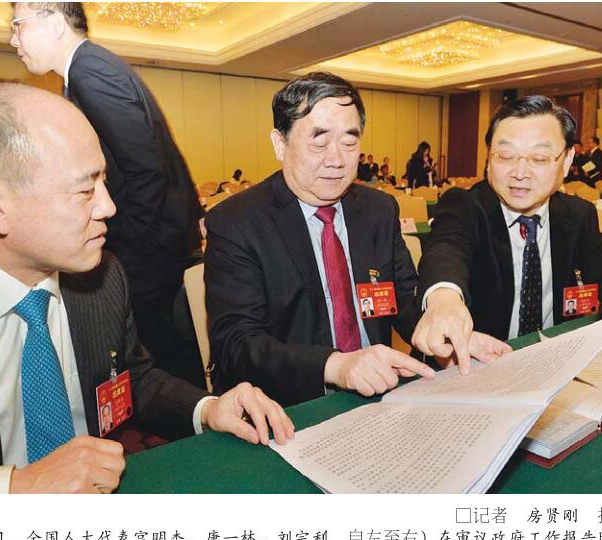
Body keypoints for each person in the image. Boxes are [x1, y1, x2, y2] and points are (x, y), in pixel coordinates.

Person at [0, 80, 294, 494]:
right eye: (85, 190)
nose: (108, 207)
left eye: (104, 182)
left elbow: (132, 380)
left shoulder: (101, 276)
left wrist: (208, 409)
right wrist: (15, 487)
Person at [204, 72, 508, 407]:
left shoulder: (378, 210)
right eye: (319, 142)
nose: (336, 160)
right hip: (289, 404)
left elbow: (402, 297)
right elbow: (236, 343)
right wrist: (336, 366)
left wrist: (446, 338)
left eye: (349, 143)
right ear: (280, 143)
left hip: (379, 392)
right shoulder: (237, 222)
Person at [10, 3, 205, 386]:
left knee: (161, 365)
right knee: (164, 359)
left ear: (54, 22)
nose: (13, 39)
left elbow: (146, 171)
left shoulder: (90, 71)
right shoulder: (88, 68)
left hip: (148, 250)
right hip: (154, 244)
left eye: (18, 25)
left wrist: (126, 255)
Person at [413, 95, 602, 373]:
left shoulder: (578, 216)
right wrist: (444, 298)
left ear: (566, 161)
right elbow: (446, 249)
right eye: (505, 156)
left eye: (539, 158)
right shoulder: (464, 205)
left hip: (554, 364)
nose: (519, 173)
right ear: (489, 158)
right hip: (478, 367)